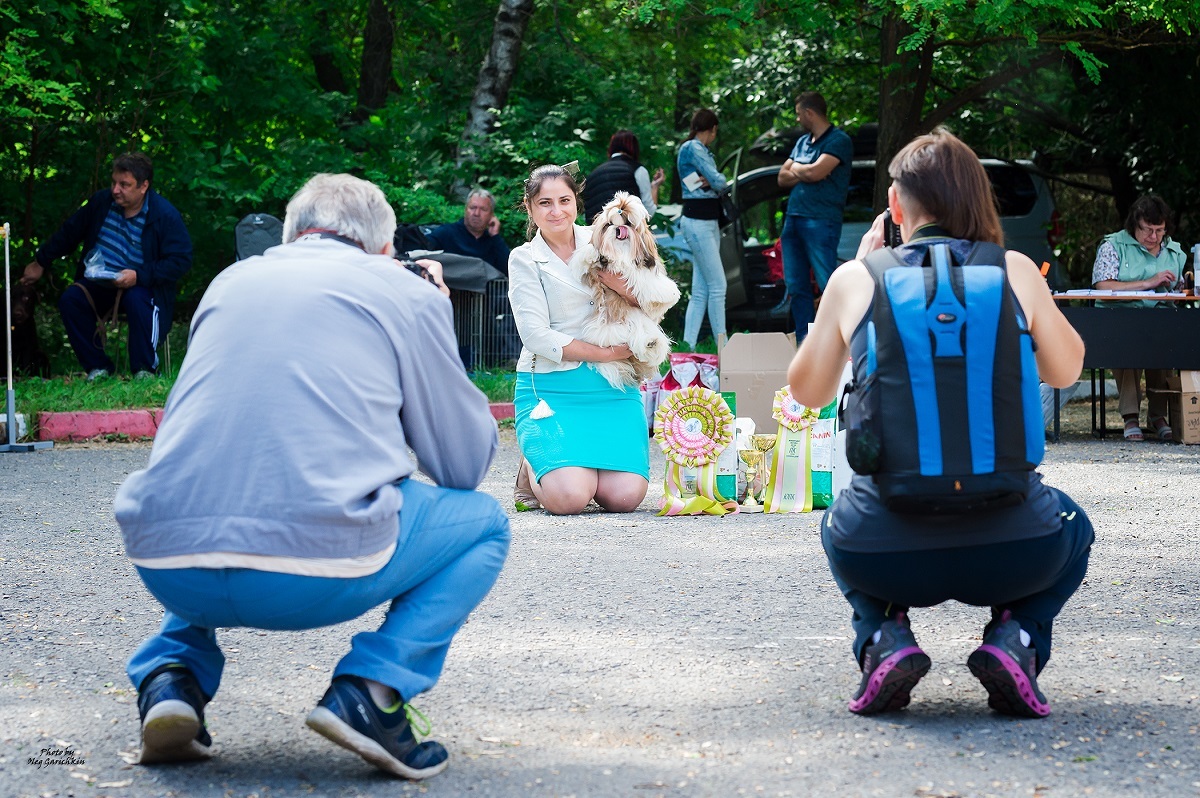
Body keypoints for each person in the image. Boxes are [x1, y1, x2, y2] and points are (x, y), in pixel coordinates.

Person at [113, 173, 509, 781]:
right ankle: (372, 693)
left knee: (227, 479)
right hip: (311, 575)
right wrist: (435, 315)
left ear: (291, 236)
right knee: (484, 526)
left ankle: (172, 676)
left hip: (167, 562)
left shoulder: (230, 283)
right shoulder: (402, 291)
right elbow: (463, 465)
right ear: (384, 248)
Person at [788, 129, 1094, 718]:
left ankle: (882, 636)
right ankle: (1019, 637)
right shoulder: (1015, 270)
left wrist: (852, 279)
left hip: (883, 549)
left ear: (896, 207)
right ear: (978, 199)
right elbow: (1067, 368)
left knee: (834, 520)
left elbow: (807, 391)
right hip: (1016, 547)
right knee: (1074, 524)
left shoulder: (859, 278)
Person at [508, 163, 651, 515]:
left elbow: (654, 299)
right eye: (544, 203)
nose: (556, 211)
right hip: (552, 388)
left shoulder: (609, 235)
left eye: (564, 200)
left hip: (613, 386)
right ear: (529, 207)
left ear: (577, 203)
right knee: (571, 498)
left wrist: (621, 286)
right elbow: (536, 336)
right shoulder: (524, 258)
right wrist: (605, 353)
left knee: (625, 498)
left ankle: (580, 467)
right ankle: (534, 466)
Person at [21, 152, 192, 379]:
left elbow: (180, 261)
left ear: (144, 186)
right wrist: (41, 261)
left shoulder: (164, 216)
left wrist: (139, 276)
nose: (115, 190)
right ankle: (98, 367)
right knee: (71, 299)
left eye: (124, 184)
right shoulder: (102, 202)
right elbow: (70, 232)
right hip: (99, 284)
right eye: (114, 182)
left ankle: (145, 370)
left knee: (137, 298)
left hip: (141, 288)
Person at [1091, 194, 1186, 441]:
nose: (1153, 237)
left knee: (1168, 346)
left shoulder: (1174, 252)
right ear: (1134, 224)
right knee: (1128, 347)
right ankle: (1130, 415)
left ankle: (1158, 416)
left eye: (1159, 231)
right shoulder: (1113, 246)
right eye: (1147, 230)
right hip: (1121, 317)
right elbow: (1103, 286)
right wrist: (1149, 283)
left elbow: (1180, 290)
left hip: (1160, 318)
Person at [777, 91, 854, 340]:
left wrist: (799, 169)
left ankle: (843, 340)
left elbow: (815, 174)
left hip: (820, 220)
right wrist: (806, 170)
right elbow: (782, 177)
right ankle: (805, 343)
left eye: (799, 114)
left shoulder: (838, 140)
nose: (798, 119)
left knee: (828, 283)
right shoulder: (802, 143)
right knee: (796, 286)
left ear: (810, 113)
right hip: (793, 220)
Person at [676, 109, 729, 351]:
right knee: (718, 286)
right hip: (698, 223)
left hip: (705, 221)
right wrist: (714, 179)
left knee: (701, 290)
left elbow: (702, 182)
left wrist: (708, 179)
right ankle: (724, 349)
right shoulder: (694, 148)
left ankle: (688, 347)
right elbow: (719, 182)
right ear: (713, 129)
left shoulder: (691, 150)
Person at [582, 129, 665, 223]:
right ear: (634, 148)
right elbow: (648, 212)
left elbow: (586, 215)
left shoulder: (592, 175)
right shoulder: (638, 170)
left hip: (598, 233)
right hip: (626, 233)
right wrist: (655, 187)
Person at [425, 187, 511, 275]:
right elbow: (420, 252)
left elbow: (510, 271)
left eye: (483, 209)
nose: (476, 213)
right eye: (473, 208)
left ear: (491, 215)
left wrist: (495, 236)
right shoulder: (446, 233)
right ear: (466, 210)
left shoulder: (493, 242)